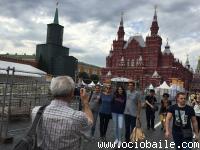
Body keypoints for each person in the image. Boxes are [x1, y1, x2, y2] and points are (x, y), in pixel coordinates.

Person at [32, 76, 93, 150]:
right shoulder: (77, 117)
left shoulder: (36, 111)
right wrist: (85, 102)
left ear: (52, 91)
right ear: (71, 93)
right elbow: (90, 123)